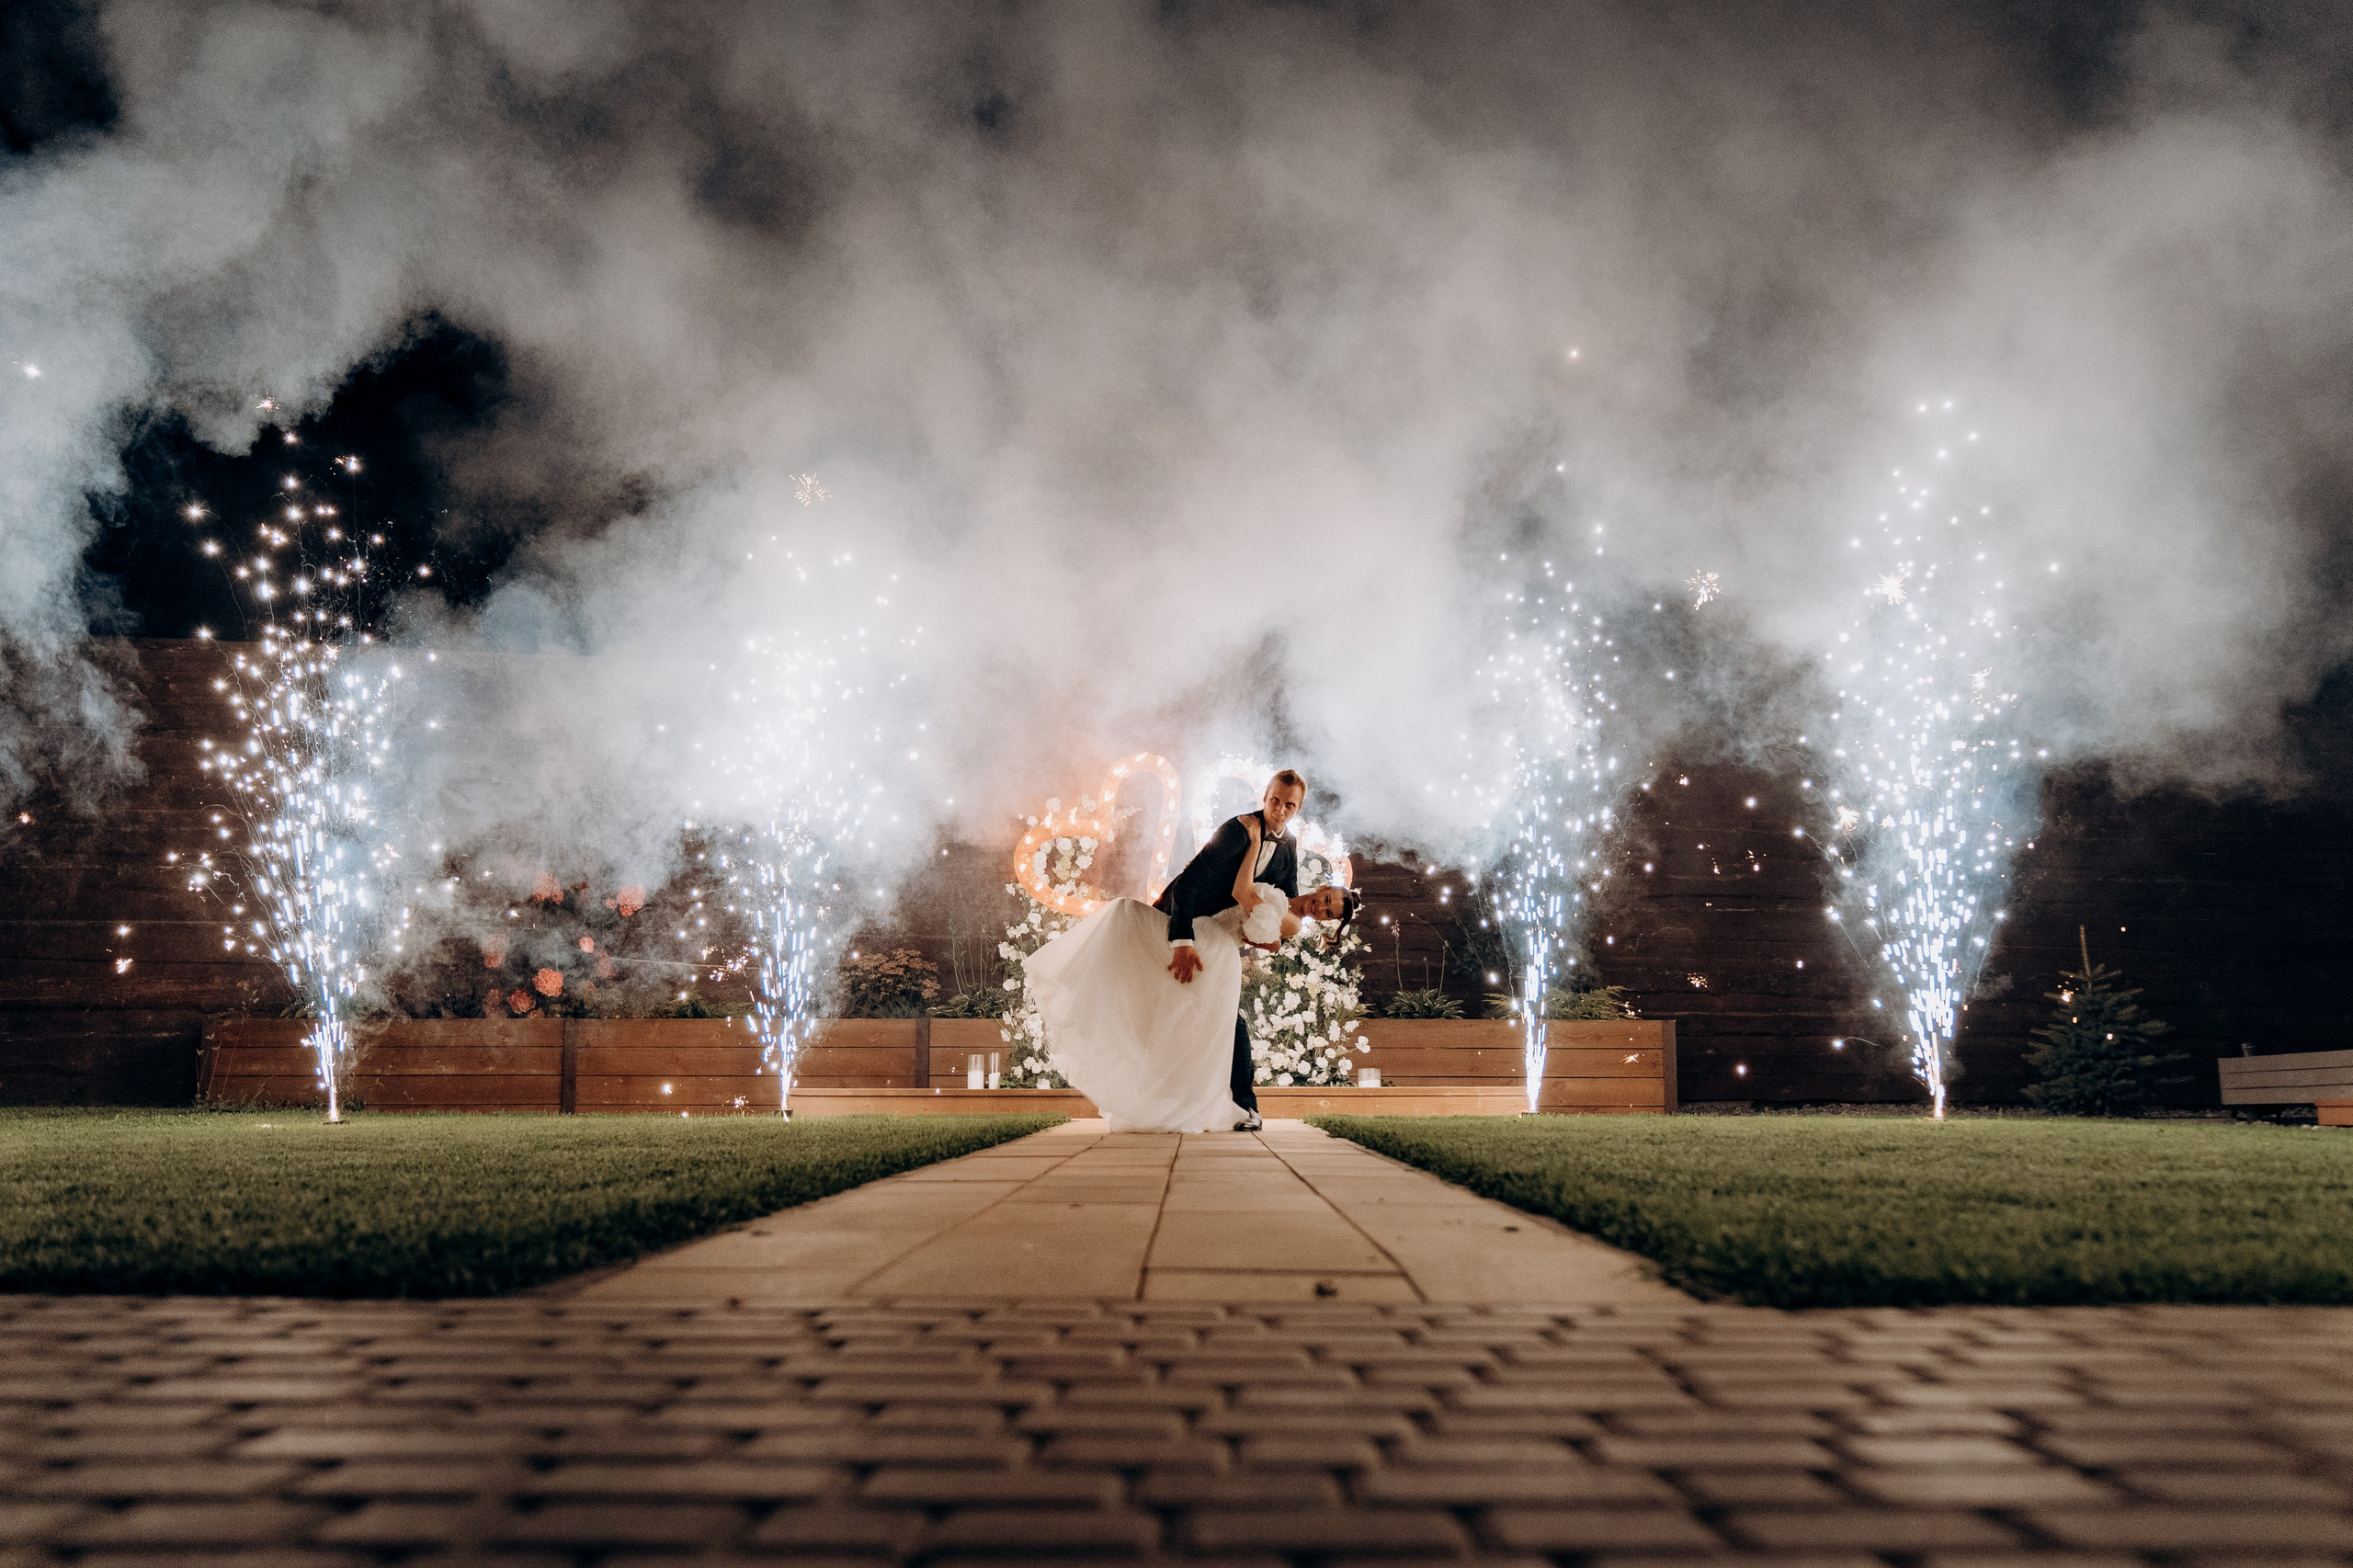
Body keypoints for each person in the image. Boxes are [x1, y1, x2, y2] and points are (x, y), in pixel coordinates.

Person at [1019, 769, 1358, 1132]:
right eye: (1275, 800)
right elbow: (1189, 884)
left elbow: (1286, 906)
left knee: (1212, 1020)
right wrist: (1183, 942)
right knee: (1126, 933)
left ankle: (1205, 1103)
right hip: (1180, 925)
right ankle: (1085, 1002)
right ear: (1265, 795)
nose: (1280, 810)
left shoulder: (1288, 849)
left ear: (1299, 807)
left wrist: (1273, 933)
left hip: (1217, 941)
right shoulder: (1237, 830)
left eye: (1289, 805)